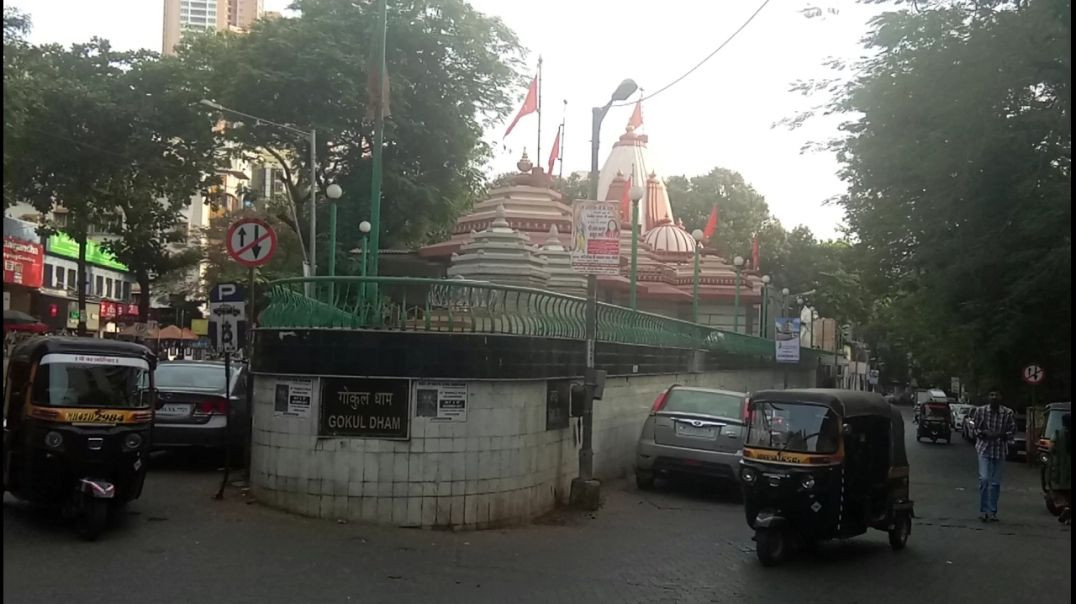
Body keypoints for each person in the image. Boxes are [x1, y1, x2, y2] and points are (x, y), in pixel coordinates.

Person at [970, 387, 1016, 522]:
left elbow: (1012, 430)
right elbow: (975, 428)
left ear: (1001, 397)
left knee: (995, 483)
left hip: (1000, 450)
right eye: (991, 394)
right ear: (988, 397)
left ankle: (992, 511)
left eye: (996, 394)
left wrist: (1000, 435)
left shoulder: (1007, 413)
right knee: (984, 479)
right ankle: (984, 510)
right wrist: (984, 434)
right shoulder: (981, 411)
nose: (994, 397)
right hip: (984, 449)